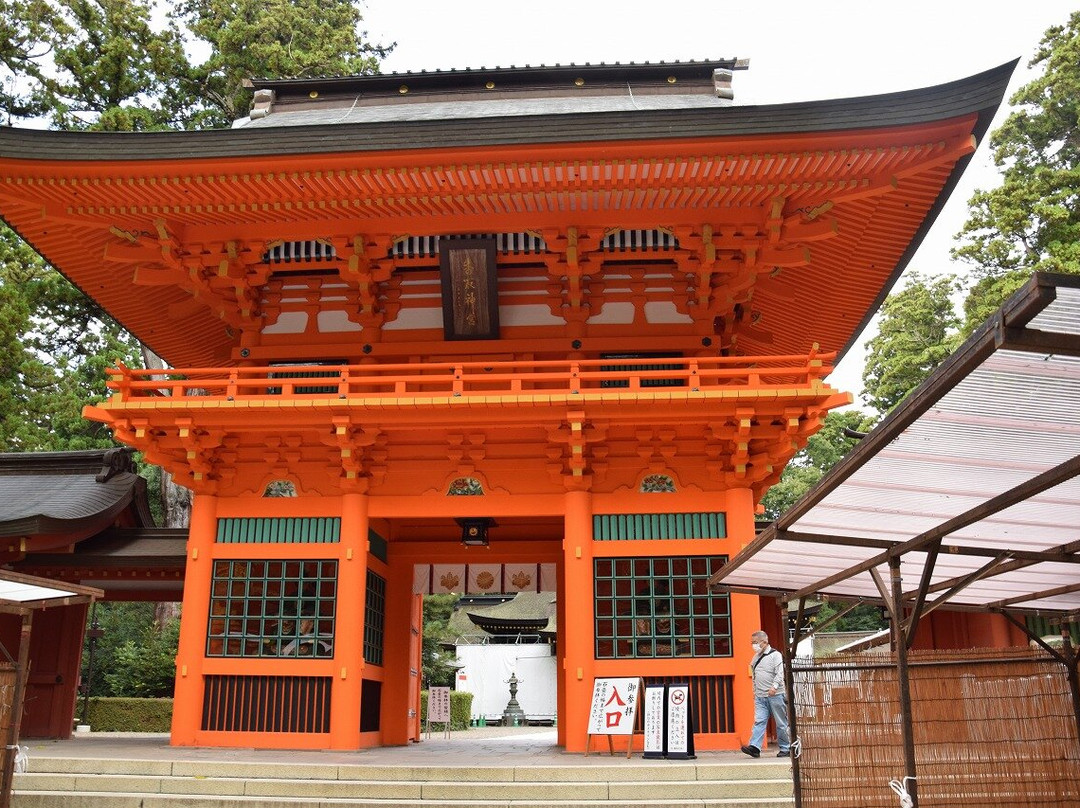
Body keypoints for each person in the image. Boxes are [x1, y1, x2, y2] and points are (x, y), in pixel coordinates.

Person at [741, 630, 790, 758]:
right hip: (760, 696)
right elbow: (754, 675)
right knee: (759, 721)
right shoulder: (755, 657)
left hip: (776, 694)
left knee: (781, 722)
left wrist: (774, 686)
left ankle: (786, 747)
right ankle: (755, 747)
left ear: (764, 642)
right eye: (752, 643)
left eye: (755, 642)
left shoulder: (775, 655)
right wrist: (755, 691)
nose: (753, 645)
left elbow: (780, 673)